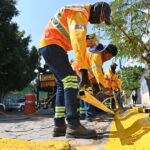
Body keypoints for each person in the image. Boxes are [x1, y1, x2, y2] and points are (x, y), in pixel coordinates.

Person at [38, 2, 112, 138]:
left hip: (50, 46)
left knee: (62, 85)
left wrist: (88, 41)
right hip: (53, 45)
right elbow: (77, 41)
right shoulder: (81, 12)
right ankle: (73, 125)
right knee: (71, 80)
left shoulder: (78, 12)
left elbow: (73, 38)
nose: (100, 22)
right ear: (97, 9)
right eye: (102, 18)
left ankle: (59, 125)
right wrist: (84, 72)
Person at [71, 43, 118, 120]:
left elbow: (95, 73)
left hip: (80, 70)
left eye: (110, 58)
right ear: (105, 52)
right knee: (87, 92)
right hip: (79, 69)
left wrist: (100, 85)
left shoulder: (98, 55)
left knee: (83, 93)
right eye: (108, 56)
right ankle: (90, 115)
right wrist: (105, 87)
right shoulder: (97, 56)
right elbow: (98, 72)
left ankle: (83, 115)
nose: (108, 59)